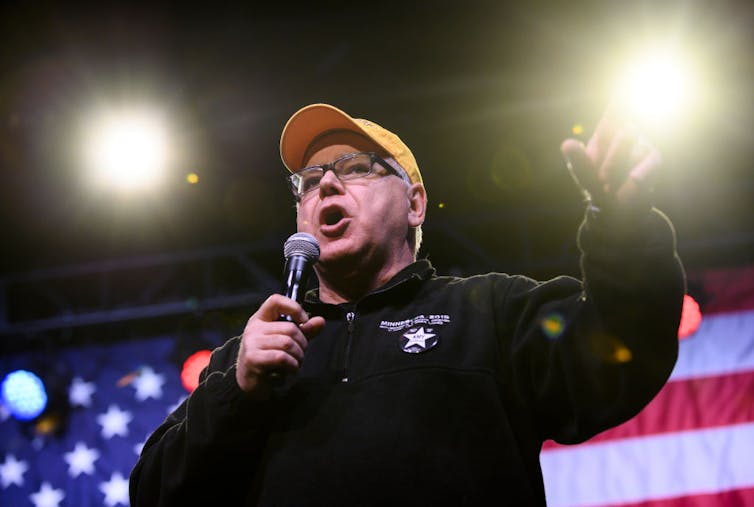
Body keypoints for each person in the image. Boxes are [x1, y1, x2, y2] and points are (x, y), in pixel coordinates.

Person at [129, 103, 685, 506]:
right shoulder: (244, 361)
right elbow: (154, 494)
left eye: (355, 168)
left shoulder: (489, 311)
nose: (325, 187)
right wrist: (237, 395)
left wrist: (624, 231)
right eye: (309, 181)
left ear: (415, 203)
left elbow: (620, 356)